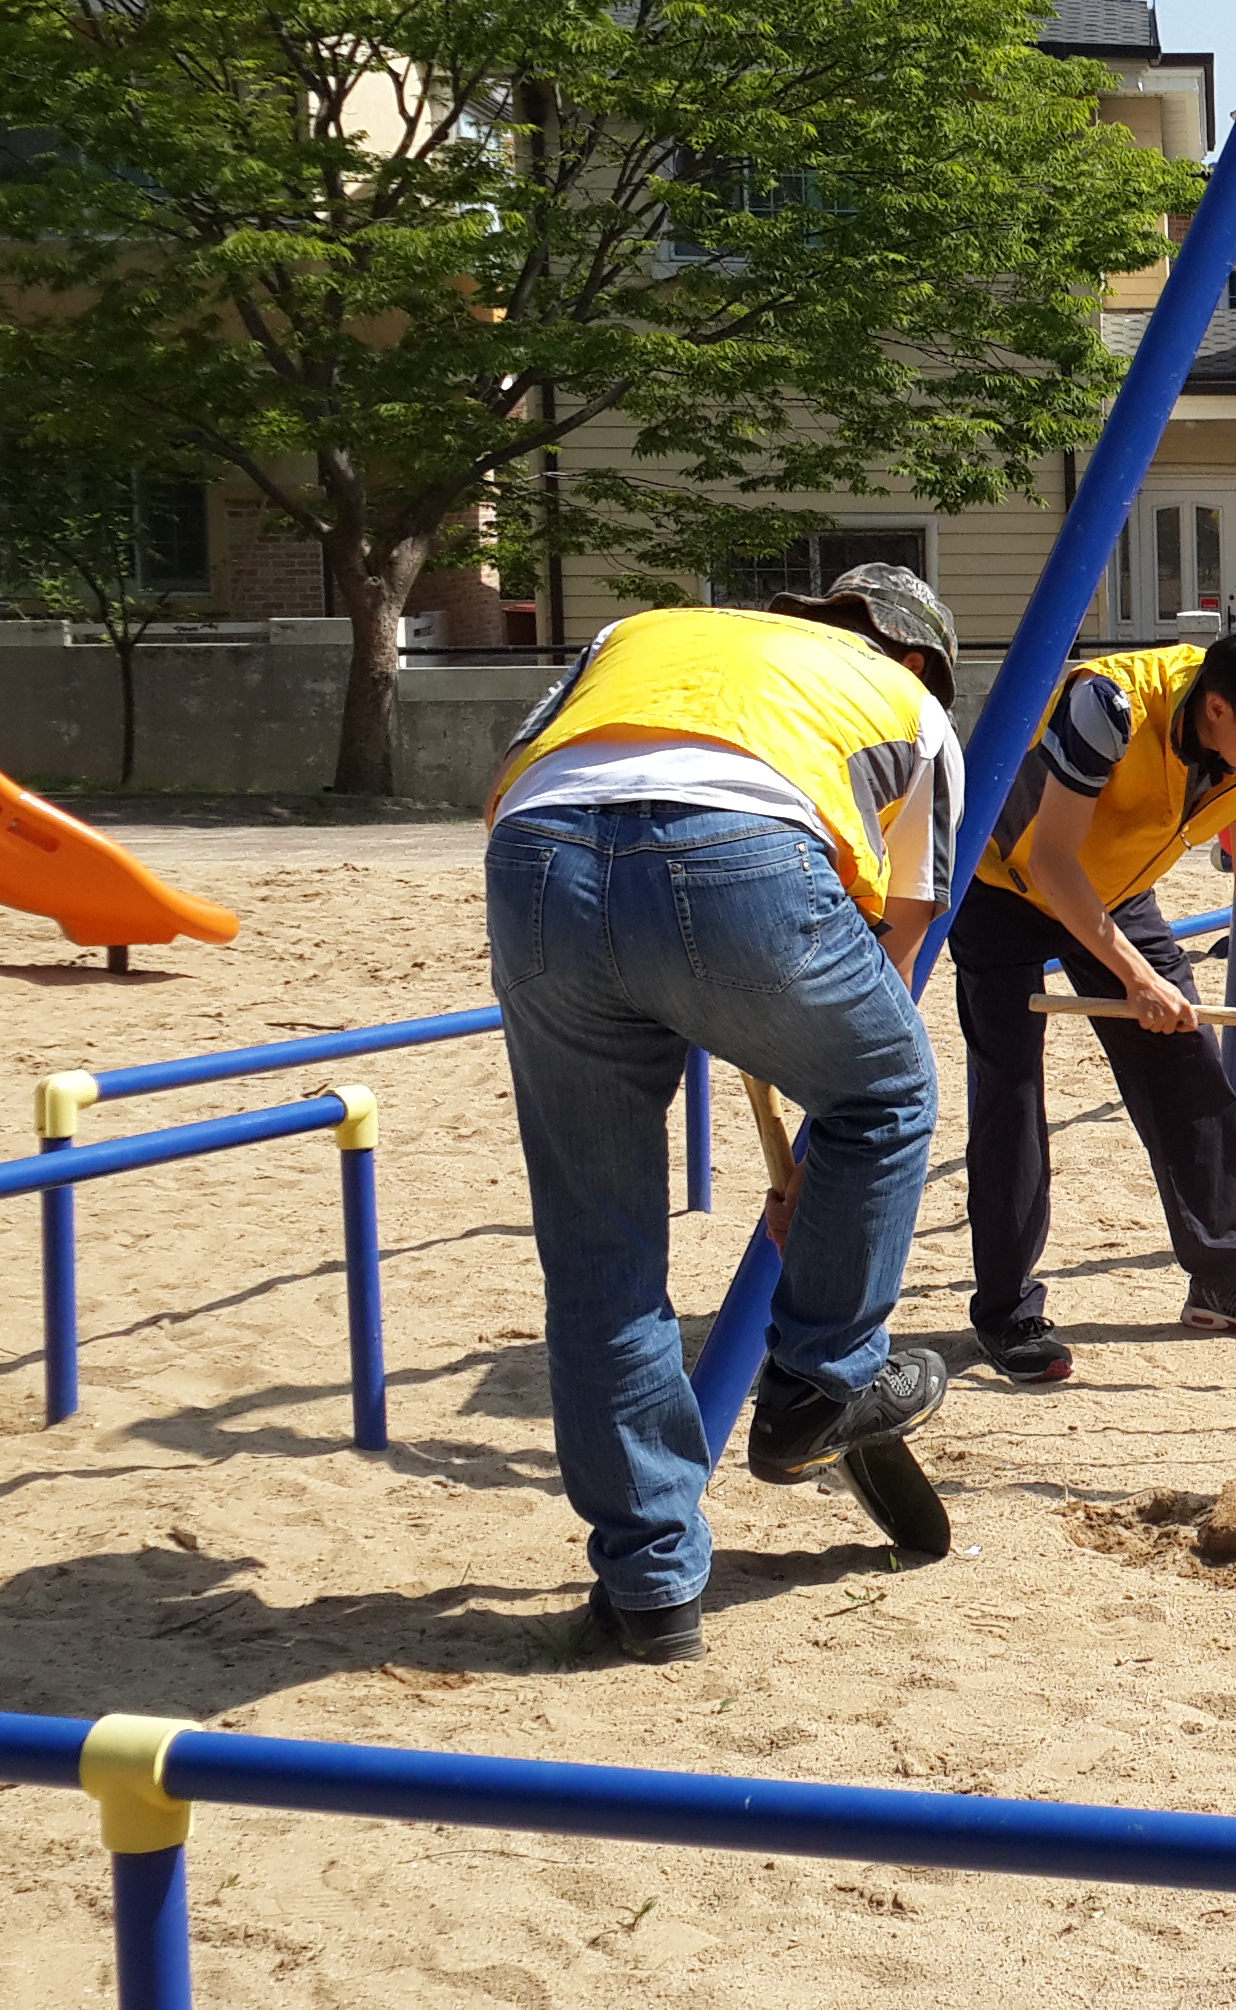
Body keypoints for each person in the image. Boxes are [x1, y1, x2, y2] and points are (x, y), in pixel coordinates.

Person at [485, 564, 967, 1664]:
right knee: (889, 1095)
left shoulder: (636, 635)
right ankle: (822, 1383)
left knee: (599, 1252)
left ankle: (651, 1586)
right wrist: (834, 1181)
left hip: (539, 862)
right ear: (925, 658)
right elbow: (892, 956)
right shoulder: (917, 710)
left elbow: (513, 787)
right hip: (742, 859)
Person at [950, 625, 1236, 1372]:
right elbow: (1050, 861)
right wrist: (1136, 976)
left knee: (1189, 1066)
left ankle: (1230, 1281)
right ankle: (1006, 1312)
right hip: (1006, 884)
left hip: (1118, 889)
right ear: (1219, 708)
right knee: (1010, 1095)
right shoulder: (1111, 707)